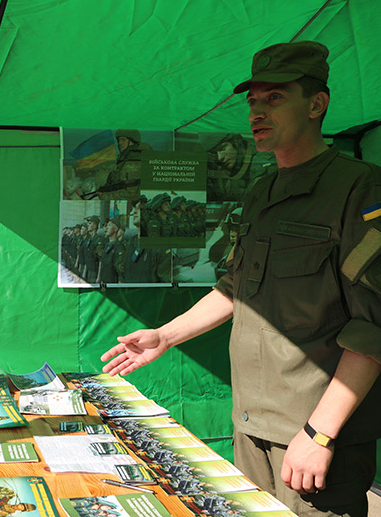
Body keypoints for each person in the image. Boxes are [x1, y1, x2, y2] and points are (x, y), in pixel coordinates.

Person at [102, 41, 381, 517]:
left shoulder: (360, 187)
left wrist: (319, 433)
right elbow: (236, 288)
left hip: (312, 436)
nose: (257, 111)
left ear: (317, 104)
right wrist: (164, 336)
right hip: (251, 426)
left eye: (275, 98)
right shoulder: (261, 191)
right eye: (253, 100)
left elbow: (372, 329)